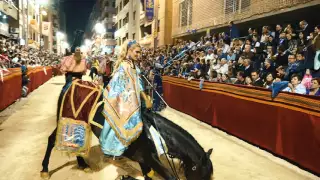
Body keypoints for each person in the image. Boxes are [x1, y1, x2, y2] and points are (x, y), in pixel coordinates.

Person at [99, 39, 152, 157]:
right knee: (123, 117)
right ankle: (115, 149)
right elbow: (119, 85)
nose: (139, 55)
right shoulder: (124, 65)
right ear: (129, 51)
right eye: (136, 52)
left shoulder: (133, 65)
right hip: (125, 98)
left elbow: (138, 84)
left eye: (140, 53)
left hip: (135, 97)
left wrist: (145, 97)